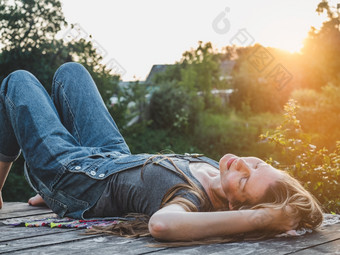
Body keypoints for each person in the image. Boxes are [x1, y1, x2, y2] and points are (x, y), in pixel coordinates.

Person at [0, 62, 323, 242]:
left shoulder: (190, 199)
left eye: (243, 180)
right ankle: (52, 196)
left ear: (233, 206)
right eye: (256, 164)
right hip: (111, 156)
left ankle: (38, 192)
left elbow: (163, 226)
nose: (241, 164)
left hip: (69, 173)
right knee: (71, 72)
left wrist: (260, 218)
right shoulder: (214, 170)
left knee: (19, 81)